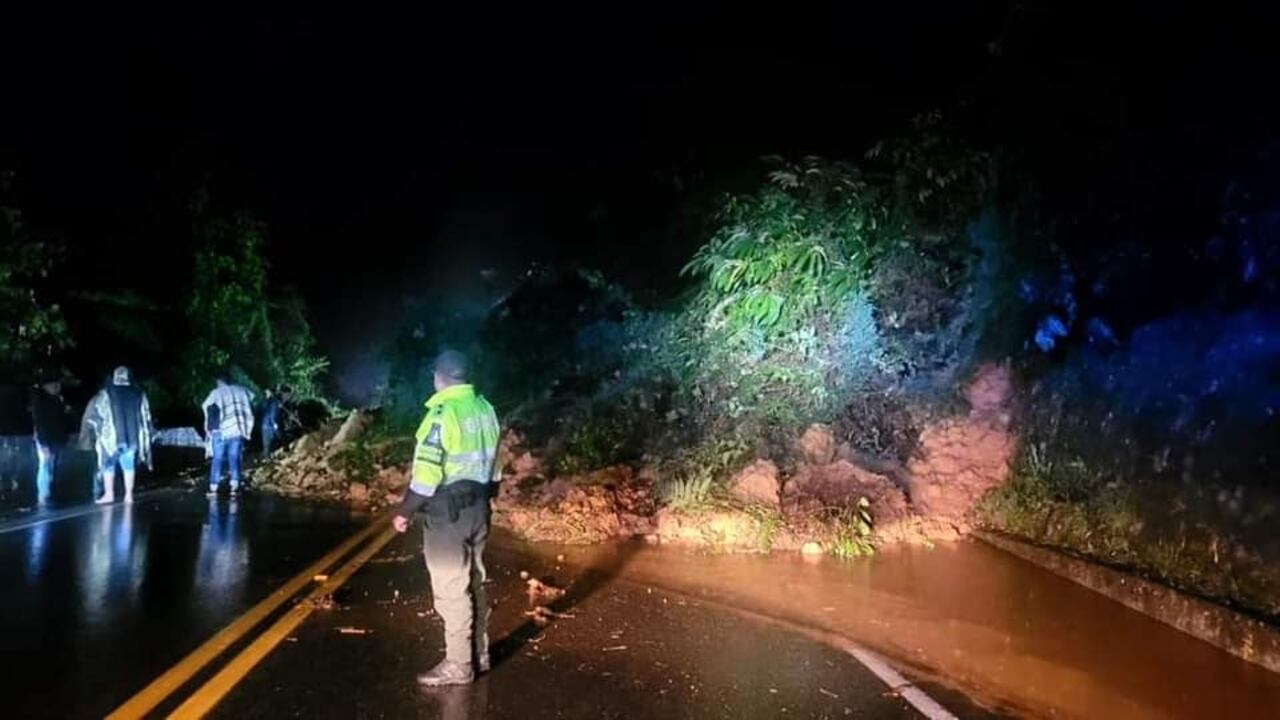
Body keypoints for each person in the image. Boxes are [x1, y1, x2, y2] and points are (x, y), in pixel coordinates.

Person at [393, 349, 501, 687]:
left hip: (448, 513)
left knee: (452, 587)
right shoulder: (485, 408)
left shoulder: (442, 414)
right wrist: (487, 497)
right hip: (480, 507)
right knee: (475, 581)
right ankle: (479, 654)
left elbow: (426, 477)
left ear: (439, 376)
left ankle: (458, 664)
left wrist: (404, 512)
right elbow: (496, 462)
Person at [80, 366, 154, 505]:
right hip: (133, 438)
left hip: (111, 439)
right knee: (128, 466)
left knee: (108, 465)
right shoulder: (138, 394)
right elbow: (146, 416)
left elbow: (95, 414)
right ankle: (128, 495)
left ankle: (109, 494)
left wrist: (89, 434)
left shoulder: (106, 394)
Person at [202, 374, 255, 496]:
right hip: (236, 429)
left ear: (220, 382)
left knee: (217, 459)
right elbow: (251, 398)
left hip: (219, 431)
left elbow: (207, 406)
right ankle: (235, 487)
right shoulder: (241, 390)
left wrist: (208, 427)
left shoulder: (216, 393)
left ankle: (213, 487)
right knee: (234, 457)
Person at [29, 377, 69, 506]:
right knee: (45, 465)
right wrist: (44, 443)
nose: (57, 388)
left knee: (50, 465)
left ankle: (48, 492)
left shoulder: (55, 400)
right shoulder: (42, 402)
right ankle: (43, 494)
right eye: (55, 385)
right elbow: (41, 423)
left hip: (54, 438)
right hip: (46, 439)